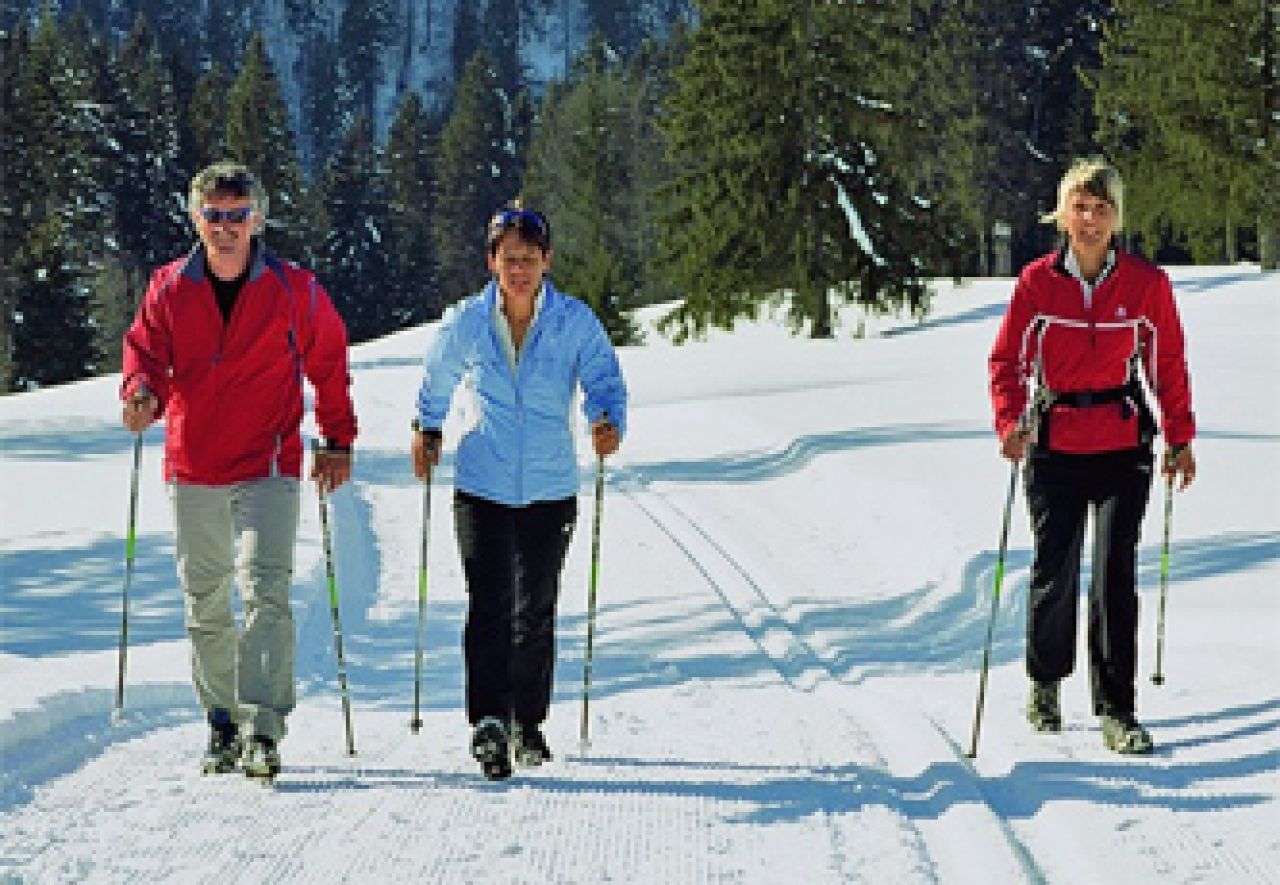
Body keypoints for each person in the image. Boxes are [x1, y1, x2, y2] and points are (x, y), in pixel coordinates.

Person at [120, 161, 358, 779]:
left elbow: (328, 360)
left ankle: (264, 726)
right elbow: (145, 350)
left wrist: (336, 437)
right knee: (205, 599)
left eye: (237, 215)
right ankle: (221, 722)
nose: (225, 228)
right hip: (192, 461)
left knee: (264, 588)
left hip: (267, 461)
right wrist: (141, 389)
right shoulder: (170, 288)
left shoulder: (293, 288)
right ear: (196, 219)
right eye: (213, 216)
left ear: (258, 218)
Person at [411, 202, 628, 780]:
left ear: (547, 260)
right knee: (488, 604)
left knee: (535, 607)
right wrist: (427, 429)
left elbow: (604, 380)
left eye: (529, 259)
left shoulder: (574, 321)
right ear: (491, 262)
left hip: (551, 486)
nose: (519, 270)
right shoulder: (467, 321)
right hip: (482, 482)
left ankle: (527, 721)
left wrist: (607, 420)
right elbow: (436, 377)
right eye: (509, 260)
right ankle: (487, 720)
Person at [989, 158, 1196, 754]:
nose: (1090, 219)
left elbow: (1168, 366)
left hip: (1122, 447)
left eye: (1101, 208)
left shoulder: (1145, 284)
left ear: (1116, 217)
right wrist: (1010, 422)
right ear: (1063, 214)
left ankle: (1117, 709)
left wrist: (1179, 438)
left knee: (1113, 575)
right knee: (1054, 572)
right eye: (1080, 207)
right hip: (1054, 443)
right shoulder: (1036, 283)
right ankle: (1046, 681)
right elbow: (1007, 363)